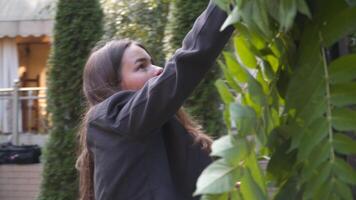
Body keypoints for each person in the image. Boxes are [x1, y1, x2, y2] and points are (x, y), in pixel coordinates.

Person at [76, 1, 234, 199]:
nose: (158, 69)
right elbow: (189, 61)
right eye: (141, 67)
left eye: (151, 62)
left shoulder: (165, 130)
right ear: (113, 84)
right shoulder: (112, 118)